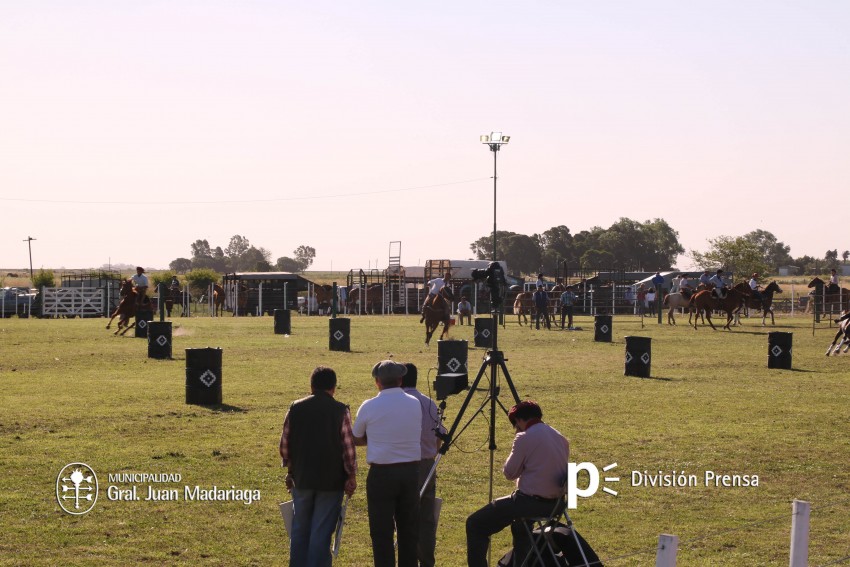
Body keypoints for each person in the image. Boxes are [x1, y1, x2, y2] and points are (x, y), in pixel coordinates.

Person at [466, 401, 570, 567]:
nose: (515, 428)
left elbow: (509, 473)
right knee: (522, 527)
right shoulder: (560, 437)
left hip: (529, 503)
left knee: (475, 523)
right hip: (556, 505)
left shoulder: (524, 438)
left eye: (515, 424)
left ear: (520, 420)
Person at [279, 367, 357, 567]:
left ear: (311, 386)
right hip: (331, 483)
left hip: (302, 479)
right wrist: (351, 475)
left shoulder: (295, 407)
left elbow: (285, 444)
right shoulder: (341, 410)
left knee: (299, 531)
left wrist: (289, 471)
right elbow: (348, 448)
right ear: (334, 388)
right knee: (321, 534)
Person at [353, 360, 422, 567]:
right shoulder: (414, 403)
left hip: (382, 473)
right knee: (409, 529)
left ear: (377, 382)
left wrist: (372, 438)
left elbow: (356, 437)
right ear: (400, 380)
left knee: (381, 531)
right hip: (410, 471)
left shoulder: (369, 406)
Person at [401, 363, 446, 567]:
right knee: (426, 520)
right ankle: (427, 561)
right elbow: (441, 435)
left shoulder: (400, 403)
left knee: (404, 518)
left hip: (404, 465)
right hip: (427, 464)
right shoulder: (429, 403)